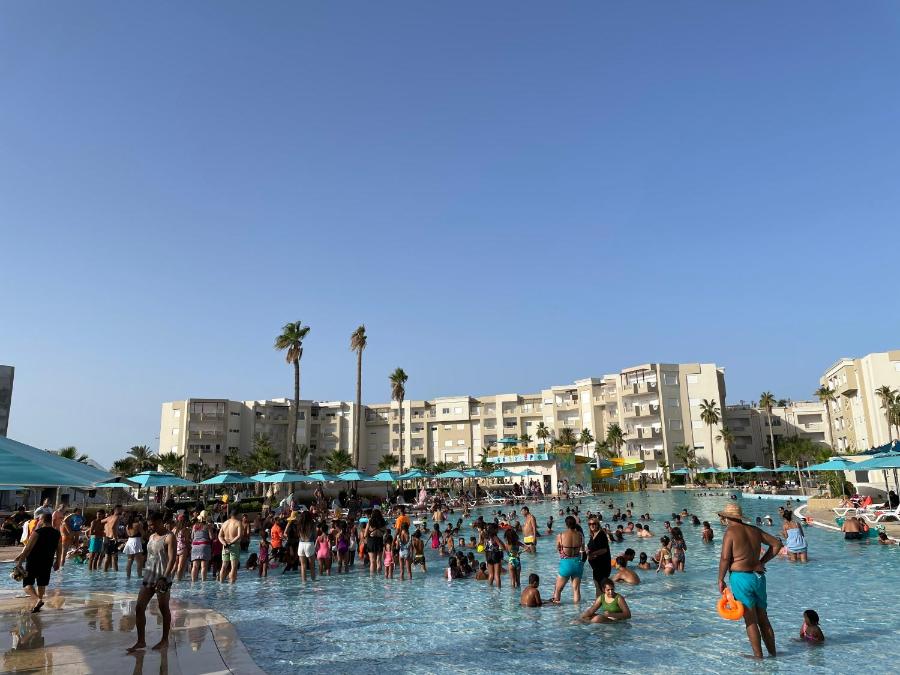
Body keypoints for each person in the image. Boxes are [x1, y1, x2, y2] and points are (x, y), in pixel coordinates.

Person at [717, 502, 783, 660]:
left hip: (741, 578)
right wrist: (762, 562)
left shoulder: (730, 532)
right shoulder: (754, 530)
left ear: (726, 518)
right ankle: (773, 654)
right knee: (763, 618)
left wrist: (720, 579)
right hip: (758, 577)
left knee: (750, 620)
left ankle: (758, 658)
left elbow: (725, 558)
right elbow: (777, 544)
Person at [127, 511, 176, 652]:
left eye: (152, 525)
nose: (150, 527)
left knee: (163, 608)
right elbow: (150, 555)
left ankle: (165, 640)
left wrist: (164, 577)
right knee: (139, 607)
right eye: (149, 525)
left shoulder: (169, 537)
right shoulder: (151, 536)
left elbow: (172, 559)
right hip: (149, 576)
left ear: (160, 522)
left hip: (162, 578)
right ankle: (141, 641)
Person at [15, 512, 62, 613]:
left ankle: (37, 600)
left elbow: (28, 548)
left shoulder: (37, 532)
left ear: (42, 520)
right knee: (41, 584)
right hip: (48, 561)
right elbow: (59, 549)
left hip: (34, 560)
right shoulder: (57, 533)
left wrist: (20, 562)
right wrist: (58, 562)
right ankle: (38, 605)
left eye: (39, 520)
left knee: (27, 584)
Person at [552, 516, 584, 604]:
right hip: (577, 563)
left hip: (566, 564)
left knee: (558, 589)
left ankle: (557, 611)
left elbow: (558, 549)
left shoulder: (561, 535)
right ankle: (577, 609)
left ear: (566, 524)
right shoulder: (580, 535)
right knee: (576, 590)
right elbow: (582, 550)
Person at [585, 516, 611, 597]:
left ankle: (603, 602)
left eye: (594, 523)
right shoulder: (593, 535)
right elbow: (590, 547)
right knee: (599, 586)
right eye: (590, 524)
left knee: (601, 587)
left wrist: (592, 554)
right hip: (596, 566)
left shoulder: (601, 534)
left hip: (602, 565)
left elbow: (604, 550)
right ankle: (600, 602)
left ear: (597, 524)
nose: (592, 525)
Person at [218, 509, 243, 583]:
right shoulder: (238, 523)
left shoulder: (225, 523)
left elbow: (219, 536)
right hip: (234, 545)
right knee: (233, 567)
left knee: (224, 565)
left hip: (225, 546)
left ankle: (221, 583)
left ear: (230, 515)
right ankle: (232, 584)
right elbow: (239, 535)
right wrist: (231, 543)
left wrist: (224, 543)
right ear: (237, 515)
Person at [363, 509, 387, 574]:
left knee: (372, 561)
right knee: (379, 561)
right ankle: (379, 576)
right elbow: (385, 532)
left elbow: (365, 534)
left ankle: (372, 577)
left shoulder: (370, 521)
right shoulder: (382, 521)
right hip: (379, 540)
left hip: (371, 541)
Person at [296, 510, 317, 581]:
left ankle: (304, 582)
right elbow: (315, 535)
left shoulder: (299, 524)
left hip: (301, 544)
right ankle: (313, 581)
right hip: (309, 543)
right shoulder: (312, 524)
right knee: (312, 566)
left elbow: (298, 535)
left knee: (303, 566)